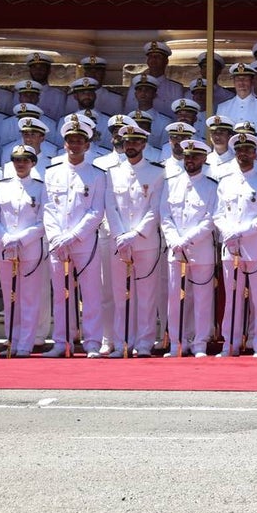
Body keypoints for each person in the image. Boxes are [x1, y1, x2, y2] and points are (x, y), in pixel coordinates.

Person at [42, 117, 107, 358]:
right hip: (58, 243)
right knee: (60, 295)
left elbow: (96, 211)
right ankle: (61, 341)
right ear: (64, 143)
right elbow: (48, 208)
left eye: (80, 141)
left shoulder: (96, 175)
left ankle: (92, 342)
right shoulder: (52, 172)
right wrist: (57, 237)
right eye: (71, 141)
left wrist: (74, 235)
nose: (75, 145)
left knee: (90, 294)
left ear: (87, 145)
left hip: (84, 242)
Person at [102, 125, 165, 357]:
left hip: (145, 242)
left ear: (144, 145)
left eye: (136, 142)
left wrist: (134, 235)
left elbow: (154, 209)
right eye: (127, 142)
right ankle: (121, 343)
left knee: (146, 295)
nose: (131, 146)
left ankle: (144, 343)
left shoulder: (156, 172)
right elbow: (110, 206)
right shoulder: (112, 172)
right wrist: (120, 235)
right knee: (120, 295)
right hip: (119, 242)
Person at [213, 132, 257, 358]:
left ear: (255, 153)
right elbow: (217, 214)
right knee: (232, 298)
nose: (243, 154)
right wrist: (228, 232)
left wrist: (241, 231)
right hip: (230, 247)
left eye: (247, 150)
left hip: (255, 247)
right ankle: (230, 343)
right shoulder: (226, 181)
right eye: (239, 150)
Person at [159, 138, 217, 357]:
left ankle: (199, 343)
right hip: (175, 249)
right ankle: (176, 343)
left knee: (202, 299)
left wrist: (188, 239)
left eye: (195, 156)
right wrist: (175, 239)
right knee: (175, 298)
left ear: (203, 158)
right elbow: (164, 215)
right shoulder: (170, 183)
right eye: (187, 156)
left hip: (200, 250)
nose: (190, 160)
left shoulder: (211, 186)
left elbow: (211, 218)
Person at [0, 144, 44, 357]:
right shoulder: (0, 186)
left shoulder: (41, 187)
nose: (21, 164)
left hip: (29, 249)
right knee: (10, 298)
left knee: (29, 298)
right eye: (17, 160)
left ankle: (25, 345)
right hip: (5, 249)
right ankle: (11, 341)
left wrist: (20, 240)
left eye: (25, 160)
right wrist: (6, 239)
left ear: (33, 163)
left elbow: (42, 222)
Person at [216, 62, 257, 161]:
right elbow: (220, 135)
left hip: (255, 161)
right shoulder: (223, 107)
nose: (241, 83)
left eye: (245, 79)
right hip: (229, 161)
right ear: (234, 82)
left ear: (252, 81)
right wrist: (229, 156)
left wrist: (250, 156)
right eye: (238, 79)